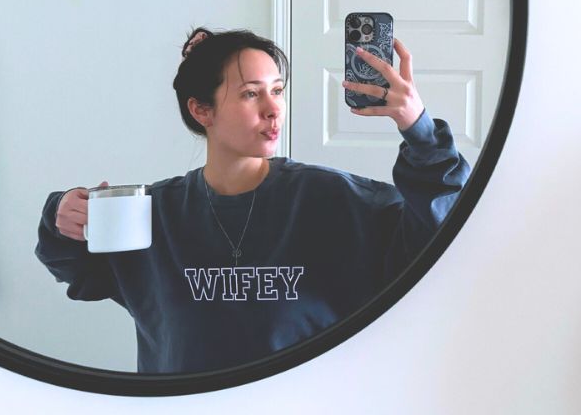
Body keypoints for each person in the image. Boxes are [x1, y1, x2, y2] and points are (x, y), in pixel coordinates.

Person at [35, 27, 470, 374]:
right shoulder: (153, 214)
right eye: (250, 93)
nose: (273, 108)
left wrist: (419, 129)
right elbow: (74, 267)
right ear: (202, 110)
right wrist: (61, 213)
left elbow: (443, 231)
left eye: (277, 91)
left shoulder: (333, 201)